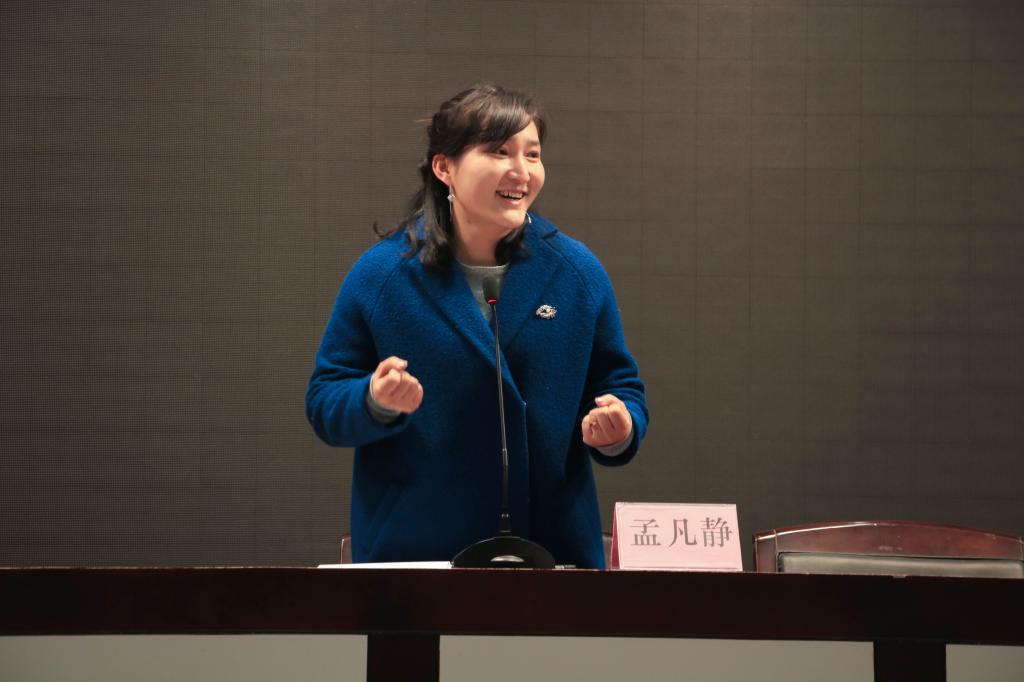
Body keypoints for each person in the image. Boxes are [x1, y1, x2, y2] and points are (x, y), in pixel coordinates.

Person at [306, 84, 648, 568]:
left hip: (553, 558)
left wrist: (619, 426)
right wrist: (374, 400)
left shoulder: (576, 272)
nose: (521, 171)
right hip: (418, 559)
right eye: (499, 151)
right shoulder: (383, 275)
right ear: (444, 167)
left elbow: (621, 387)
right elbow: (324, 400)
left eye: (533, 154)